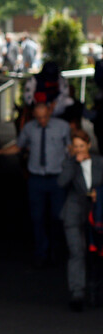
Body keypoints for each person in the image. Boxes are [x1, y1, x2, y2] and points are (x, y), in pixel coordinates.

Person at [0, 102, 71, 267]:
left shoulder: (63, 127)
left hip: (57, 178)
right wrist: (0, 152)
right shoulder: (28, 128)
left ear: (49, 112)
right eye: (39, 117)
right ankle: (41, 253)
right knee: (37, 217)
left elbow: (71, 148)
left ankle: (56, 250)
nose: (42, 120)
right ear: (34, 115)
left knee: (57, 216)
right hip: (36, 179)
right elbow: (18, 147)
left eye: (45, 117)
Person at [57, 129, 102, 312]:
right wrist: (74, 164)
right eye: (75, 146)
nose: (79, 149)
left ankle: (94, 292)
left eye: (81, 146)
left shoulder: (99, 162)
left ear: (89, 146)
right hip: (74, 211)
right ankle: (77, 292)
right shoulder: (69, 163)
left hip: (95, 214)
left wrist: (99, 195)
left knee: (95, 254)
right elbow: (61, 183)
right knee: (77, 252)